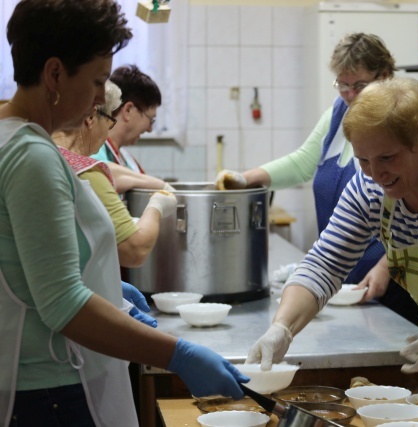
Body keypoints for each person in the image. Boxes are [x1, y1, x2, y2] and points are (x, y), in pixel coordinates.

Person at [0, 1, 247, 425]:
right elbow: (63, 305)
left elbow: (29, 264)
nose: (101, 99)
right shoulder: (32, 156)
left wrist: (106, 286)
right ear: (55, 73)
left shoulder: (10, 136)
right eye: (97, 81)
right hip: (51, 392)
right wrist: (176, 354)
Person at [246, 77, 418, 404]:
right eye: (363, 160)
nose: (374, 174)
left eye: (387, 158)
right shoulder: (369, 189)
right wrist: (281, 329)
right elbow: (324, 265)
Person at [216, 33, 418, 328]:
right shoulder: (338, 114)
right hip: (344, 278)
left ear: (386, 76)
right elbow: (303, 163)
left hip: (393, 279)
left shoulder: (403, 125)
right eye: (343, 84)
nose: (350, 95)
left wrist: (387, 266)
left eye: (360, 86)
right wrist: (242, 179)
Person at [53, 80, 177, 268]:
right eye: (110, 122)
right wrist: (157, 204)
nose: (106, 134)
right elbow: (135, 249)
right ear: (91, 116)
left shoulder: (41, 155)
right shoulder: (86, 172)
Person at [92, 64, 160, 174]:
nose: (149, 129)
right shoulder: (92, 148)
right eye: (150, 119)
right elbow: (101, 171)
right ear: (128, 110)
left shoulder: (127, 159)